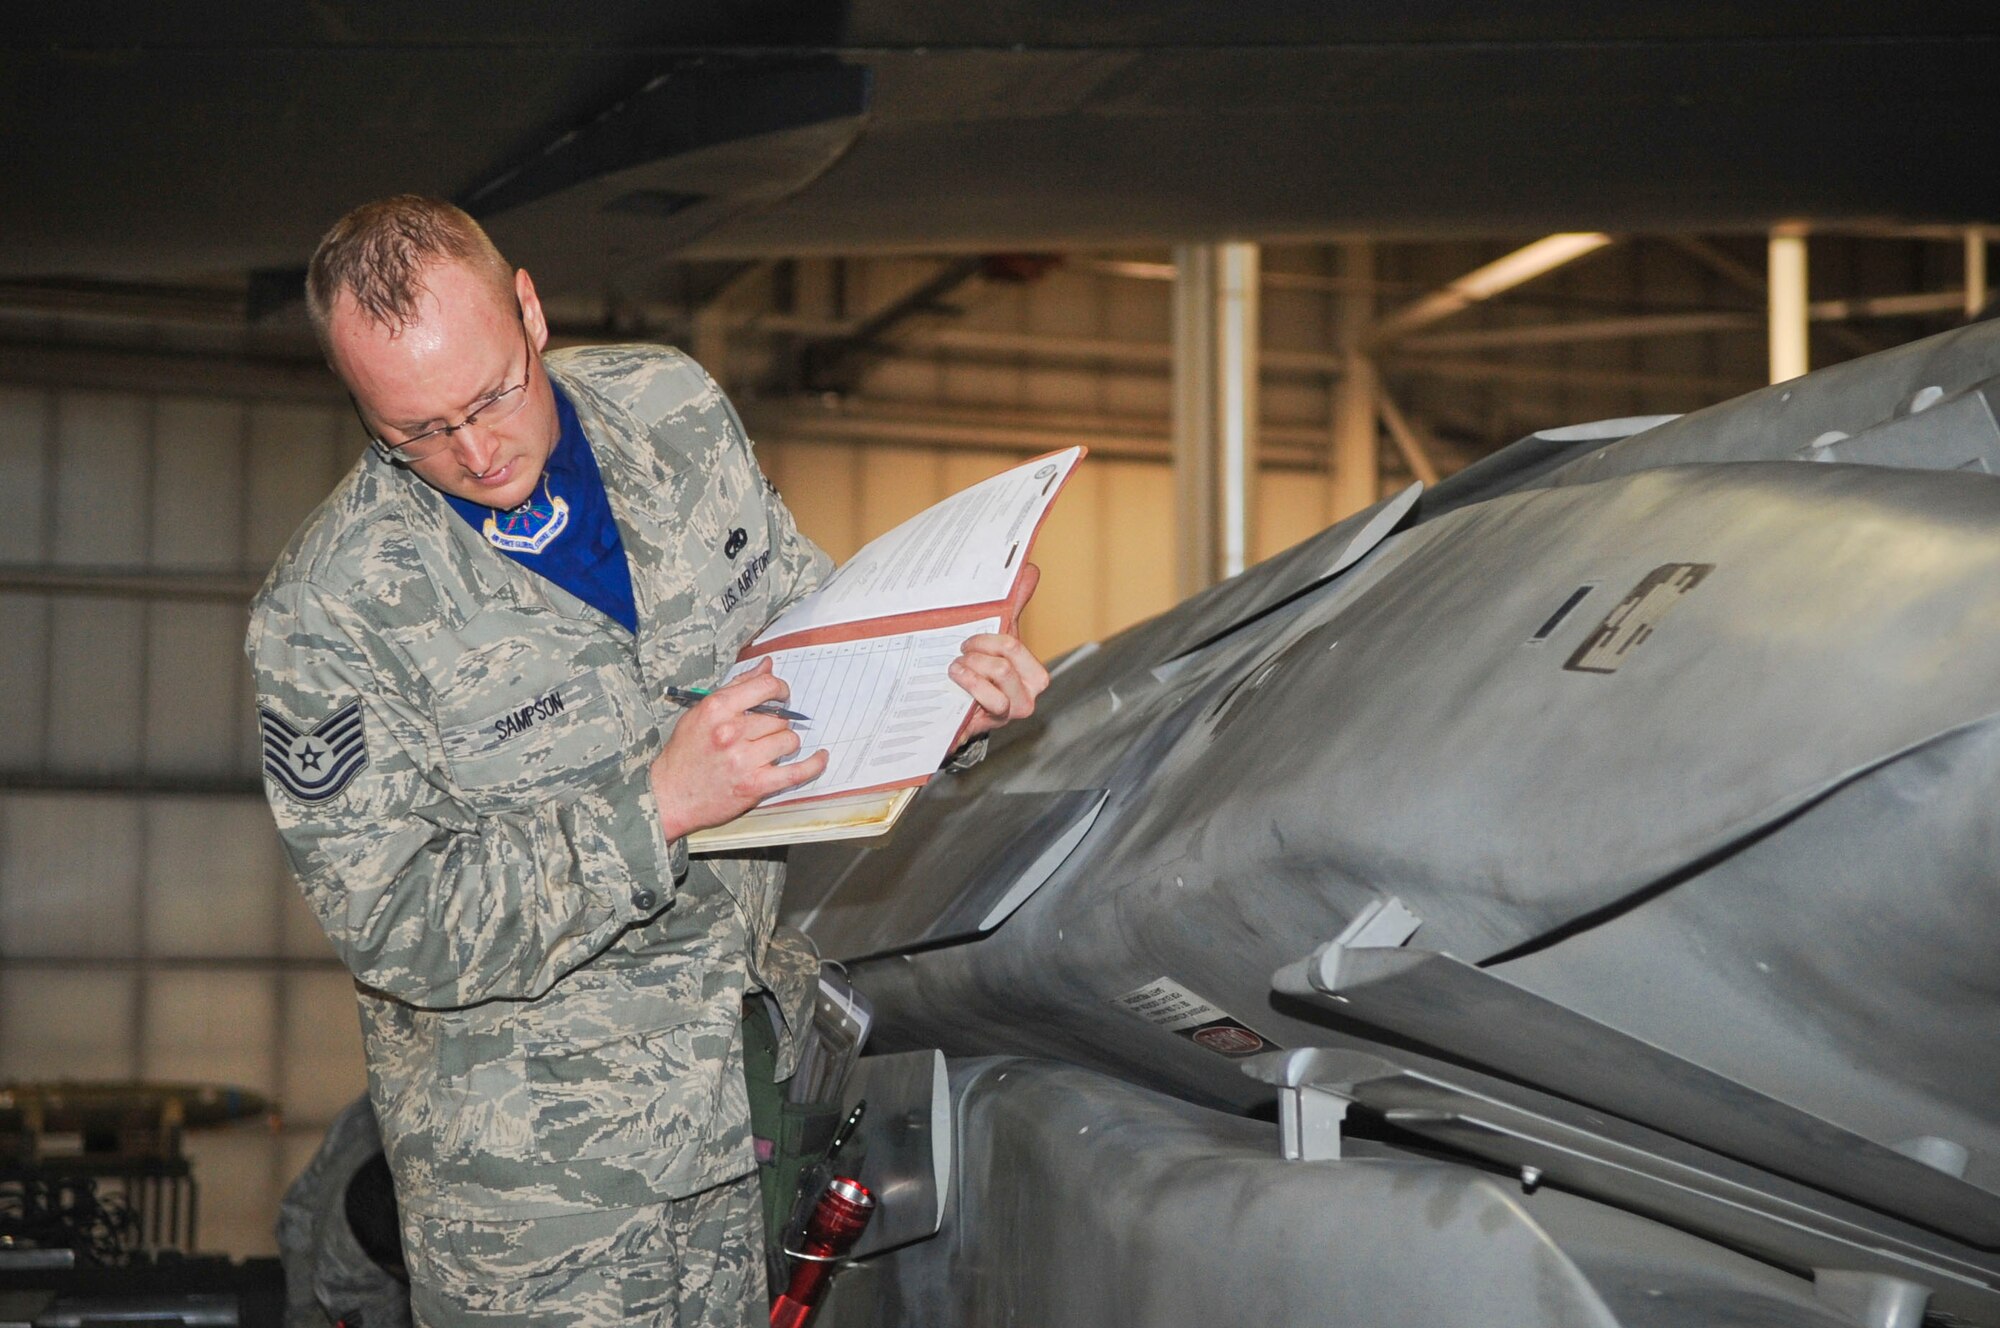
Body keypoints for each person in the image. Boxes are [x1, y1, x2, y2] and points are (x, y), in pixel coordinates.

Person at [246, 196, 1050, 1327]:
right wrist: (658, 803)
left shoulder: (667, 407)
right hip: (537, 1204)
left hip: (734, 1117)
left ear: (529, 308)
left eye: (489, 397)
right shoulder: (328, 613)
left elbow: (794, 637)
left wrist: (938, 710)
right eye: (415, 432)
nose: (474, 452)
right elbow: (399, 924)